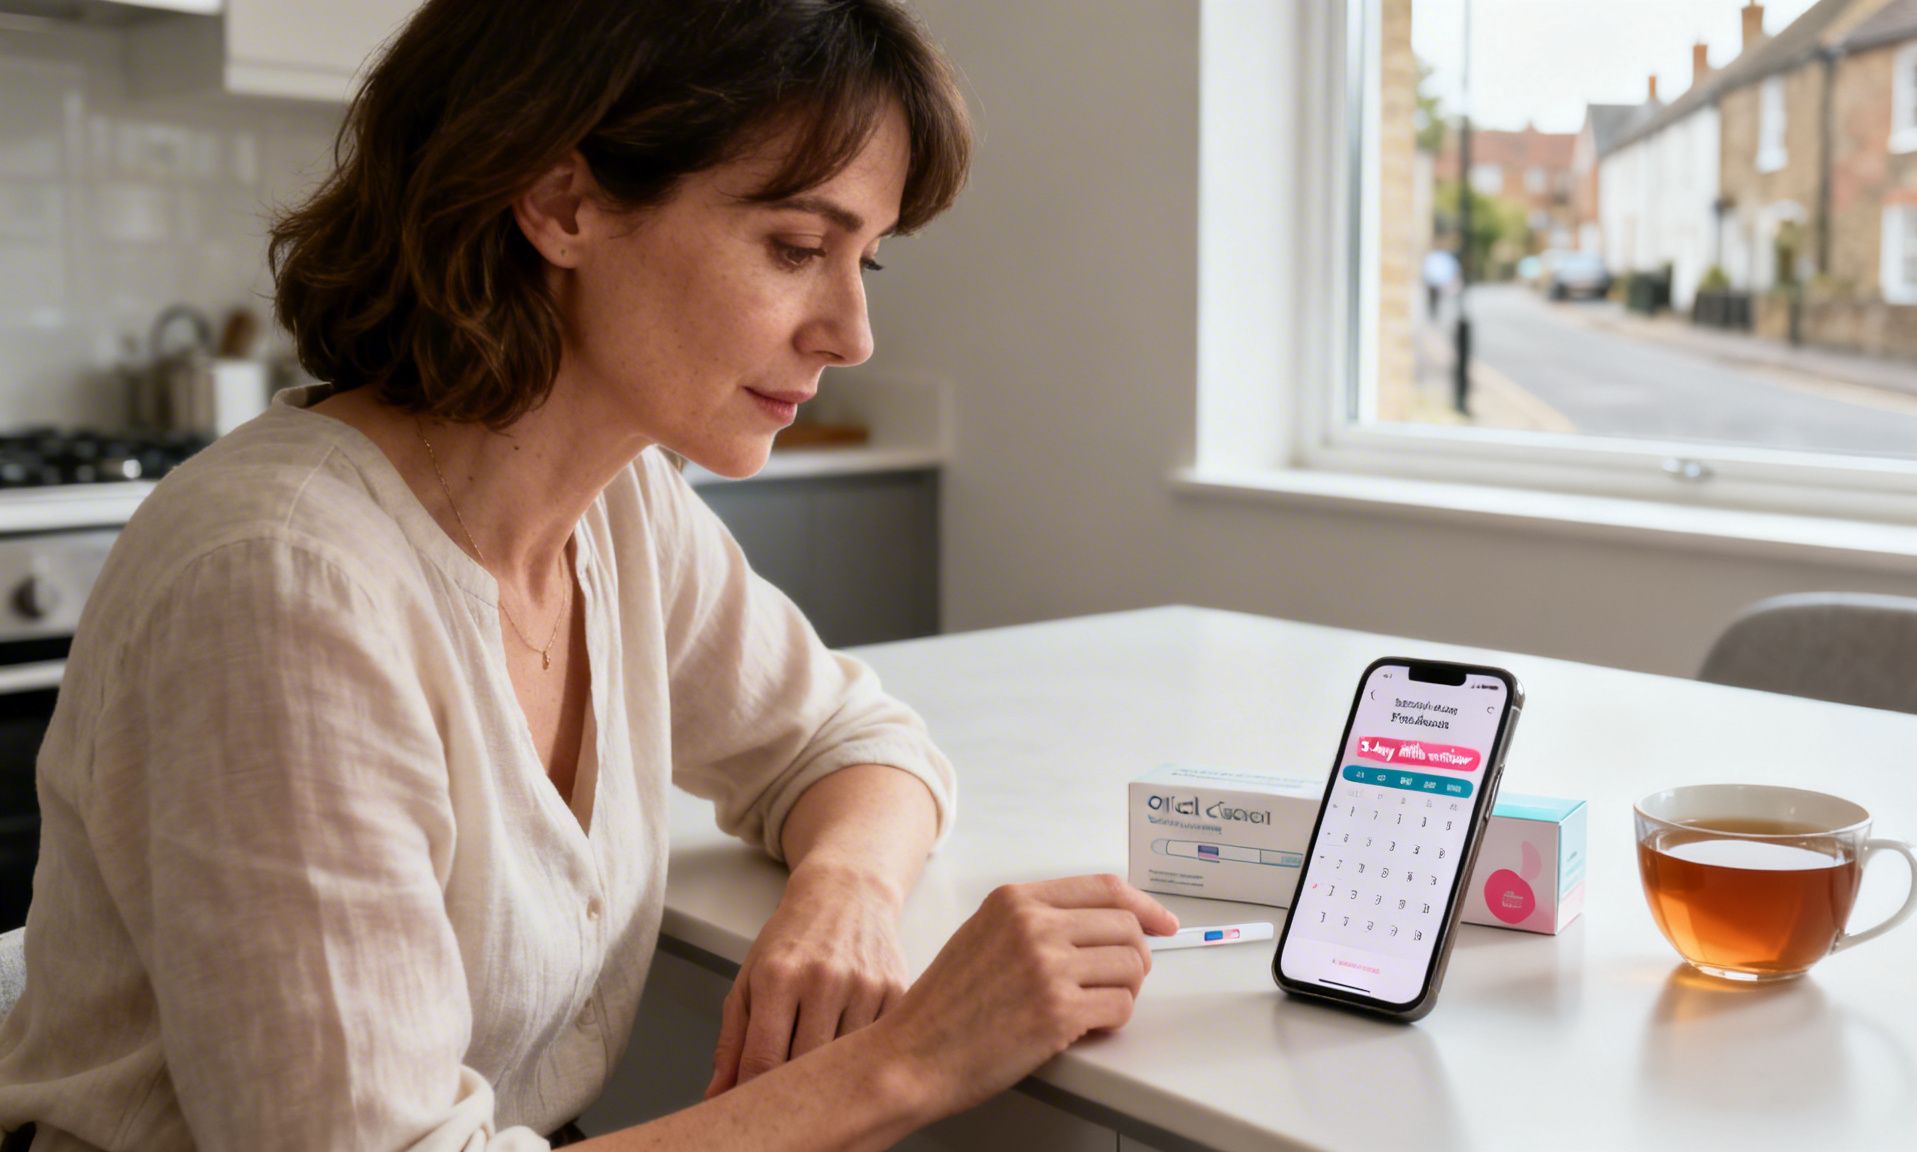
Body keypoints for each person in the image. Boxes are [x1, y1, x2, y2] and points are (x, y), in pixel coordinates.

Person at [0, 1, 1178, 1148]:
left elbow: (854, 744)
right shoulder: (283, 585)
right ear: (562, 202)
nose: (851, 331)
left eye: (867, 261)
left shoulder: (617, 511)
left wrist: (843, 898)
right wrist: (914, 1058)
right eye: (795, 248)